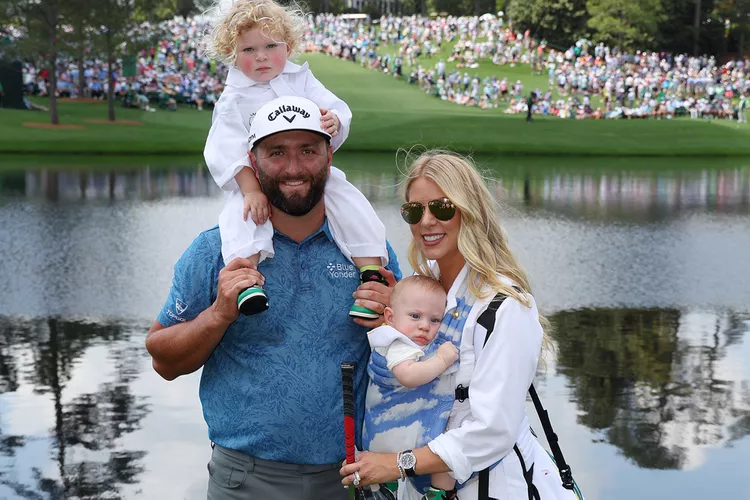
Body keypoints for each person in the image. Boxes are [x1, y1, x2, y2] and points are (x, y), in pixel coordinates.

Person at [146, 95, 401, 500]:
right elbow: (163, 360)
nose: (294, 168)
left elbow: (416, 350)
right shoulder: (215, 250)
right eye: (277, 152)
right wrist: (218, 314)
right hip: (247, 479)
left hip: (353, 474)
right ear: (252, 159)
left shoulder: (369, 250)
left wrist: (394, 319)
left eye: (308, 151)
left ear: (329, 156)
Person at [340, 151, 581, 500]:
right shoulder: (424, 293)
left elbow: (492, 431)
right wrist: (394, 324)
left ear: (470, 210)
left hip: (497, 488)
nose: (426, 221)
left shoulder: (506, 307)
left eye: (441, 208)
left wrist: (397, 463)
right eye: (414, 211)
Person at [202, 0, 387, 318]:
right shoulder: (233, 98)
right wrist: (251, 190)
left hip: (308, 176)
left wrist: (335, 121)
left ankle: (370, 271)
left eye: (270, 46)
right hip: (254, 181)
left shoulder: (300, 80)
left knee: (350, 201)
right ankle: (247, 279)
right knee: (240, 216)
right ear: (232, 53)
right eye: (249, 50)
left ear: (288, 46)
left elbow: (335, 109)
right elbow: (224, 149)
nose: (261, 56)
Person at [364, 275, 460, 500]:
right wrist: (442, 360)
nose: (424, 326)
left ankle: (439, 493)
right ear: (390, 317)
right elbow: (408, 376)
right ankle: (434, 492)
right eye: (415, 316)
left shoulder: (411, 339)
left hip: (405, 433)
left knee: (448, 457)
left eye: (435, 320)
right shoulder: (396, 342)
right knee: (444, 454)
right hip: (392, 431)